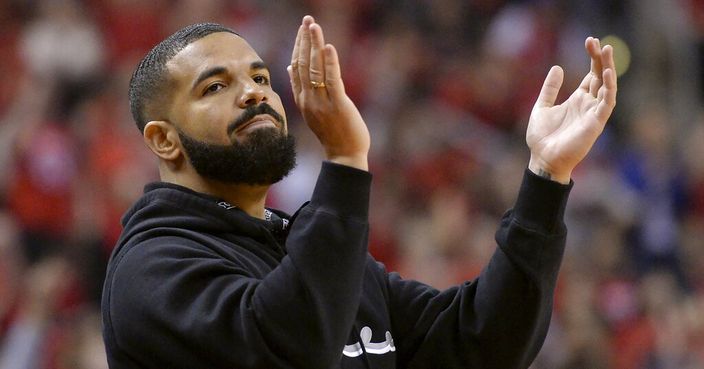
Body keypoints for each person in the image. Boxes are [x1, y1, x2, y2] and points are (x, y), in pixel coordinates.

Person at [101, 15, 616, 369]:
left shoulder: (314, 254)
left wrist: (546, 175)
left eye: (260, 76)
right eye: (215, 87)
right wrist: (345, 159)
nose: (255, 91)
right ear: (164, 140)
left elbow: (483, 343)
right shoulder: (152, 269)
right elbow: (293, 349)